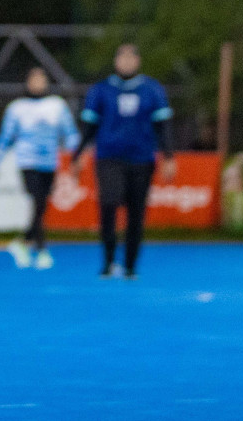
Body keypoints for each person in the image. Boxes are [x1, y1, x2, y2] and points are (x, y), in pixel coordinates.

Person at [68, 44, 173, 280]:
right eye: (122, 57)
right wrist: (77, 156)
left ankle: (130, 265)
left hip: (142, 158)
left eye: (131, 57)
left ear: (138, 61)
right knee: (108, 203)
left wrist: (168, 156)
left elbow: (163, 126)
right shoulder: (101, 90)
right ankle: (107, 261)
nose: (126, 62)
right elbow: (89, 127)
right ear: (116, 61)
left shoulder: (152, 89)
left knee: (136, 212)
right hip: (108, 157)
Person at [0, 66, 79, 270]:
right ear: (27, 82)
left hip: (49, 163)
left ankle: (21, 242)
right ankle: (42, 249)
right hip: (27, 162)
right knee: (37, 201)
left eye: (41, 79)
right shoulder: (17, 107)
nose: (38, 83)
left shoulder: (57, 105)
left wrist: (77, 156)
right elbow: (6, 137)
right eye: (34, 79)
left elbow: (70, 133)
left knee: (41, 206)